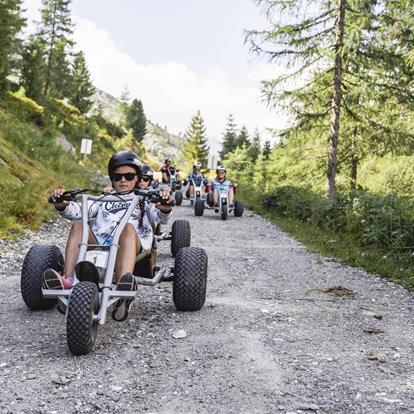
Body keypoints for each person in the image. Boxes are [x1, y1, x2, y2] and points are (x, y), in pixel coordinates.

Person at [42, 151, 173, 319]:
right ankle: (68, 282)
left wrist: (165, 205)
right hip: (99, 244)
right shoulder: (103, 199)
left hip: (131, 246)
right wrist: (62, 204)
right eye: (118, 177)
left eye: (129, 176)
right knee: (79, 225)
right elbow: (78, 212)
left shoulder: (144, 200)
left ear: (138, 178)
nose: (123, 180)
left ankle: (122, 286)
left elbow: (160, 216)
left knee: (127, 228)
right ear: (112, 179)